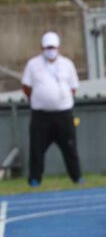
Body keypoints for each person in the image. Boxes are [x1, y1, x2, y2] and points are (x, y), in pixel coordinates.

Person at [20, 31, 83, 187]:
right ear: (42, 47)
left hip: (63, 113)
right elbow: (26, 86)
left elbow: (73, 87)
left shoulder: (67, 64)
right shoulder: (33, 64)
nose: (50, 50)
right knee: (36, 148)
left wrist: (61, 99)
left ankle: (77, 177)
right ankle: (35, 179)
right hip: (41, 115)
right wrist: (39, 98)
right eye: (47, 47)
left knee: (70, 147)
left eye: (53, 47)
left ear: (58, 47)